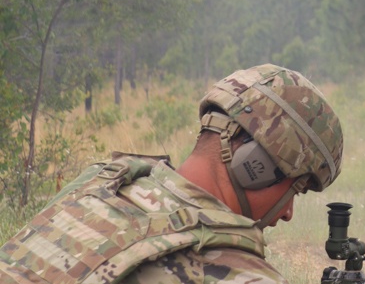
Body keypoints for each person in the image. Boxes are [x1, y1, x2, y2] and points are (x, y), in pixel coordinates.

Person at [0, 64, 343, 284]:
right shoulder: (241, 276)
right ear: (255, 165)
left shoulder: (95, 187)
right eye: (295, 189)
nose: (287, 212)